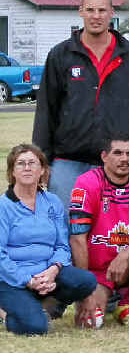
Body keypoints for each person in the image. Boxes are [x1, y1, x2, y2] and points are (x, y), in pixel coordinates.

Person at [33, 0, 129, 210]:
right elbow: (45, 111)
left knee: (112, 234)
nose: (96, 16)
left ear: (112, 13)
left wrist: (128, 138)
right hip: (67, 162)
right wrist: (42, 161)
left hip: (114, 163)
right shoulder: (61, 55)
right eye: (90, 10)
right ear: (80, 11)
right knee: (67, 230)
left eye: (102, 11)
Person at [0, 144, 97, 335]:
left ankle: (42, 303)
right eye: (21, 164)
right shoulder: (3, 206)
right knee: (36, 327)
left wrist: (53, 270)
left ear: (42, 170)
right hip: (13, 279)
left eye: (32, 163)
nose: (27, 168)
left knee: (86, 281)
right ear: (12, 172)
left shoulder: (53, 202)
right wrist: (28, 280)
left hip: (46, 274)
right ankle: (4, 314)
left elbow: (62, 245)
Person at [68, 138, 129, 328]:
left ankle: (125, 305)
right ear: (104, 157)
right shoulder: (87, 182)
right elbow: (77, 239)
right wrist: (86, 288)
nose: (125, 159)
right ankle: (93, 297)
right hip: (95, 270)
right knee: (90, 324)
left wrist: (124, 256)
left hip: (126, 264)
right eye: (117, 153)